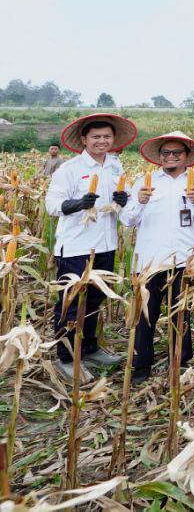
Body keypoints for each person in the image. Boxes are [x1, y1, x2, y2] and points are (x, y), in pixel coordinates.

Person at [44, 113, 137, 381]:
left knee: (96, 300)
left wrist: (123, 199)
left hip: (105, 246)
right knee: (70, 304)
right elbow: (52, 205)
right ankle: (65, 358)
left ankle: (90, 349)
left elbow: (124, 203)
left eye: (107, 136)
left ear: (113, 139)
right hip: (75, 248)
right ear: (84, 139)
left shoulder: (115, 167)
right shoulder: (69, 169)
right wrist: (80, 203)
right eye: (96, 137)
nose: (102, 141)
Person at [122, 131, 194, 380]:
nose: (171, 157)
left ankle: (180, 361)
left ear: (186, 156)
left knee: (181, 312)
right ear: (159, 156)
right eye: (166, 153)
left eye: (176, 153)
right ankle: (141, 366)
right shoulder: (144, 180)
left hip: (185, 258)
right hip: (150, 259)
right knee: (145, 314)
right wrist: (139, 201)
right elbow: (127, 220)